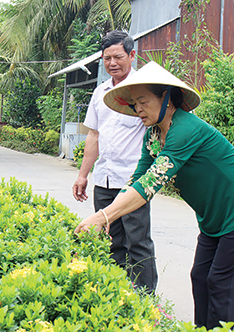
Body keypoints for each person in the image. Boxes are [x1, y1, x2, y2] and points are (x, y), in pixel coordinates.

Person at [74, 61, 234, 329]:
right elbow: (137, 180)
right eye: (134, 103)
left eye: (143, 101)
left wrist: (102, 216)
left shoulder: (185, 129)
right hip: (214, 217)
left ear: (166, 98)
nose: (138, 109)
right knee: (200, 276)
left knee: (220, 283)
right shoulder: (153, 136)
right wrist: (108, 215)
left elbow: (150, 185)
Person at [72, 30, 157, 293]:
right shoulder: (100, 93)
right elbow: (94, 135)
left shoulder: (145, 90)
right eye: (106, 58)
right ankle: (118, 294)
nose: (112, 63)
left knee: (137, 242)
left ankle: (145, 300)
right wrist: (83, 174)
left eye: (118, 57)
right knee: (111, 240)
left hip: (132, 182)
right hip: (104, 178)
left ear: (132, 55)